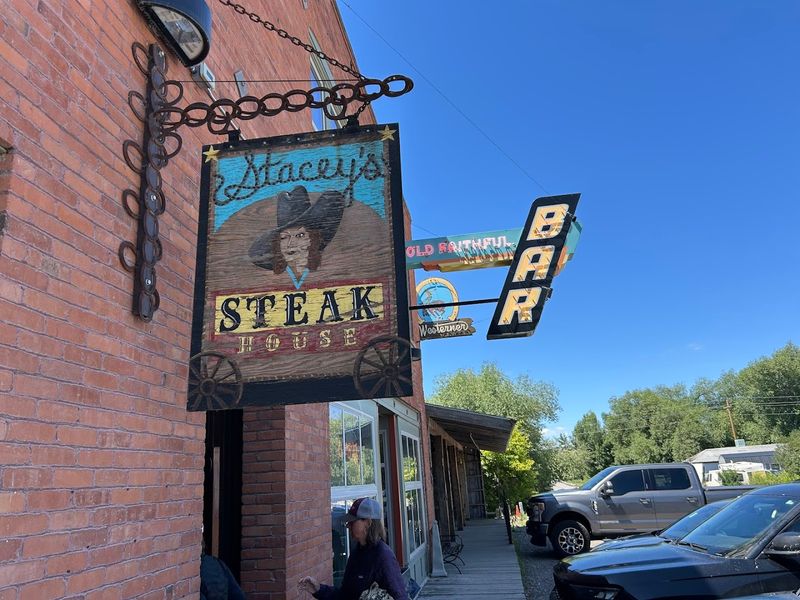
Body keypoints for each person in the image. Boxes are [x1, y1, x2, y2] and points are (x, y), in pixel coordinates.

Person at [298, 498, 409, 600]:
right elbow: (345, 595)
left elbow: (400, 596)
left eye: (352, 522)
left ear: (368, 523)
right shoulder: (357, 553)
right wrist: (318, 589)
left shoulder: (383, 556)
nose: (348, 526)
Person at [249, 185, 345, 290]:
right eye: (284, 237)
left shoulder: (335, 269)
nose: (291, 243)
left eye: (300, 235)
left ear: (312, 239)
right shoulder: (273, 279)